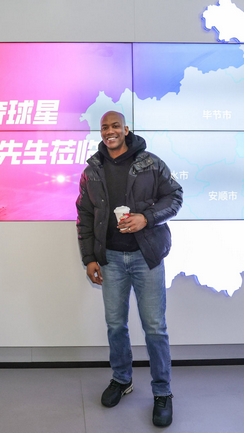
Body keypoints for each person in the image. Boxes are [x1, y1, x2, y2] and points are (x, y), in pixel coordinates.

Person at [76, 111, 183, 427]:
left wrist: (146, 218)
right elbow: (84, 216)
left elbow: (175, 196)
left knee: (154, 327)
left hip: (145, 256)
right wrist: (89, 258)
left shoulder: (150, 163)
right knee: (115, 324)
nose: (109, 131)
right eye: (104, 127)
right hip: (110, 259)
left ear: (126, 129)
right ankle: (122, 379)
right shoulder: (92, 170)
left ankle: (162, 392)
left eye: (115, 126)